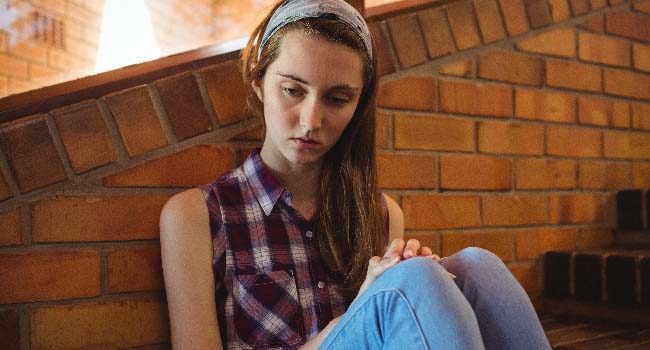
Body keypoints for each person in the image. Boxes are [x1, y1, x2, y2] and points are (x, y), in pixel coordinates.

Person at [159, 0, 552, 349]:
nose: (311, 120)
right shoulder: (199, 215)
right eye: (293, 90)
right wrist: (372, 302)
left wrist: (419, 285)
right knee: (413, 283)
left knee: (474, 267)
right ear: (259, 83)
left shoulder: (378, 213)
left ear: (357, 105)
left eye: (336, 98)